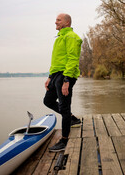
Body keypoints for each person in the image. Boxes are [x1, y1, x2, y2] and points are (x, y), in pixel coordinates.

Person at [43, 13, 82, 152]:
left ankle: (64, 140)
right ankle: (71, 118)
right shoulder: (60, 38)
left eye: (58, 20)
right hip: (56, 75)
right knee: (48, 101)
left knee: (64, 107)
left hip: (65, 75)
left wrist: (66, 81)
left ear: (66, 22)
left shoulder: (71, 37)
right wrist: (49, 77)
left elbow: (73, 59)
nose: (55, 22)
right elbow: (56, 61)